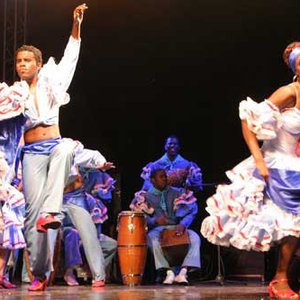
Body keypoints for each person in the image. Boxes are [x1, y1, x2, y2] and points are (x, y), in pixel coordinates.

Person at [200, 41, 300, 299]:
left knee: (294, 228)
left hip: (295, 165)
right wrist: (258, 159)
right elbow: (248, 117)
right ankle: (280, 279)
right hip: (278, 165)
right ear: (296, 69)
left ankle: (283, 276)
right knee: (292, 226)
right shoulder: (289, 91)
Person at [131, 168, 201, 285]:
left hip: (176, 226)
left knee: (195, 238)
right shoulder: (145, 196)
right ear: (153, 180)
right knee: (152, 240)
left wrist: (182, 224)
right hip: (157, 230)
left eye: (165, 176)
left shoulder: (177, 192)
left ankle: (183, 273)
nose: (165, 179)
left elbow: (192, 211)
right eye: (161, 177)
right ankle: (169, 272)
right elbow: (139, 218)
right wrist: (155, 221)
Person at [62, 168, 117, 287]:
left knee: (111, 244)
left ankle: (93, 271)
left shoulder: (90, 200)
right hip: (66, 234)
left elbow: (96, 227)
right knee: (73, 233)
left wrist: (91, 238)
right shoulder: (61, 197)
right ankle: (69, 271)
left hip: (86, 236)